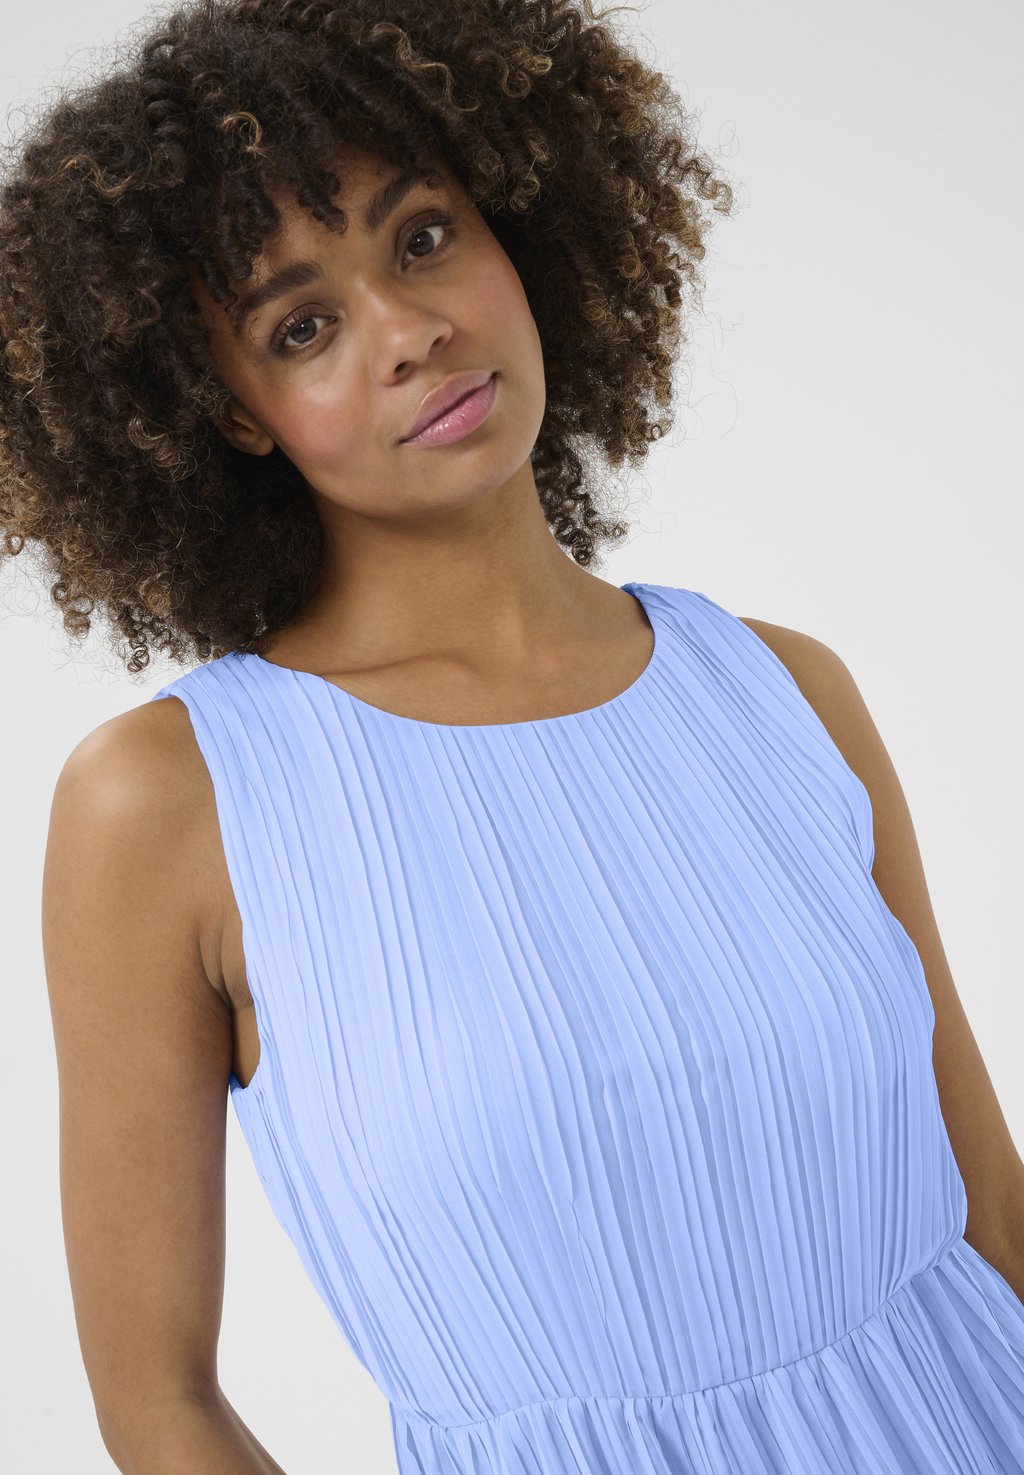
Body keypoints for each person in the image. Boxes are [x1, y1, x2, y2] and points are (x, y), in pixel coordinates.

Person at [4, 1, 1022, 1471]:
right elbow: (157, 1401)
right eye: (302, 326)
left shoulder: (785, 692)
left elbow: (992, 1207)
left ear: (517, 227)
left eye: (422, 238)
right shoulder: (170, 804)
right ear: (228, 415)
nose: (410, 332)